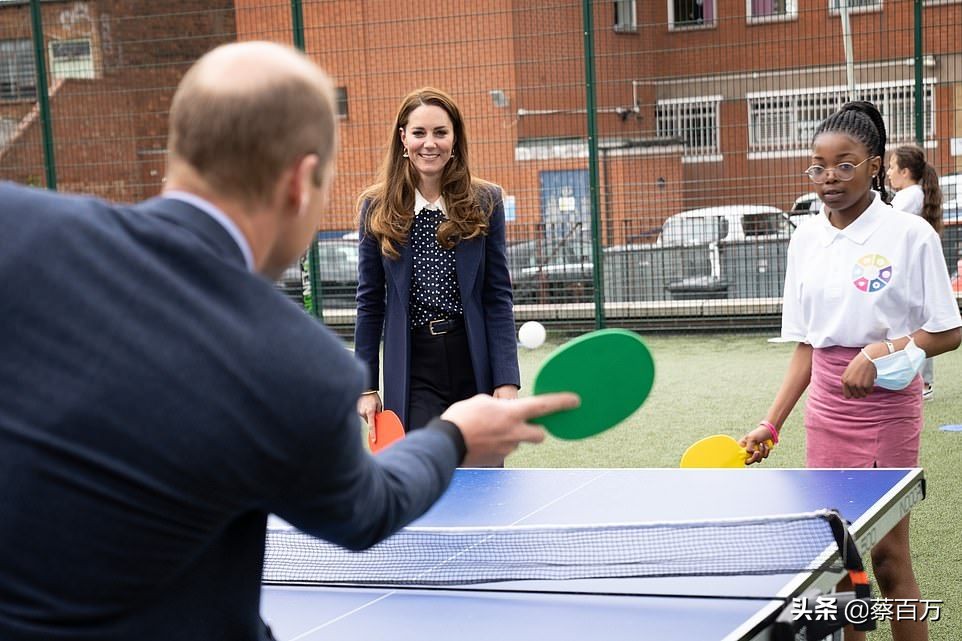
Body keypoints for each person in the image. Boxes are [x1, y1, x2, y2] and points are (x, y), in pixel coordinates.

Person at [0, 42, 578, 641]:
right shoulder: (301, 369)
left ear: (178, 147)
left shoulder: (16, 230)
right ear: (302, 183)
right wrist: (458, 433)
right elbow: (367, 510)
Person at [740, 101, 961, 641]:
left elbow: (949, 330)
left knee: (886, 557)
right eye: (818, 166)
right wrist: (772, 425)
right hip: (826, 411)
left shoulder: (911, 235)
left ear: (876, 165)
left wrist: (880, 353)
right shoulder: (805, 238)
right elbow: (808, 347)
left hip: (886, 405)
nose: (829, 178)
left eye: (845, 164)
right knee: (837, 560)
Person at [354, 87, 520, 442]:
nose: (429, 143)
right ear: (403, 138)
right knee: (425, 476)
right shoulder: (375, 208)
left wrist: (506, 380)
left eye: (440, 132)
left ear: (455, 138)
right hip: (414, 367)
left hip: (473, 361)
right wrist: (366, 386)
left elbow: (497, 298)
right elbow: (369, 303)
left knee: (482, 477)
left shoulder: (486, 201)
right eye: (419, 133)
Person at [887, 143, 944, 400]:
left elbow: (887, 226)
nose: (888, 172)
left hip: (909, 270)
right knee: (921, 323)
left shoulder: (909, 196)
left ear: (906, 171)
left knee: (917, 326)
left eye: (892, 167)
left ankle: (921, 383)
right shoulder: (915, 194)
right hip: (913, 269)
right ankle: (923, 382)